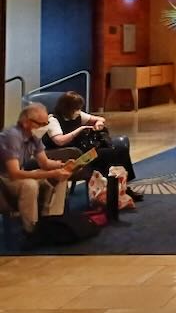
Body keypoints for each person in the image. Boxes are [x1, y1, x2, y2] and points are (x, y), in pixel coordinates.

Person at [41, 91, 143, 202]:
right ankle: (115, 189)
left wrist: (98, 123)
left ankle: (124, 185)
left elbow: (99, 119)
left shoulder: (77, 115)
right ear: (67, 108)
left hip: (85, 151)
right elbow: (59, 141)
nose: (78, 112)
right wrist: (79, 130)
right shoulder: (53, 120)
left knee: (120, 149)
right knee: (109, 154)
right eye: (76, 109)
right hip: (72, 158)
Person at [0, 103, 73, 235]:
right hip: (5, 178)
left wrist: (61, 165)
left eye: (46, 124)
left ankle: (52, 219)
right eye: (41, 124)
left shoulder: (34, 137)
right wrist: (52, 172)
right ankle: (30, 229)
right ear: (26, 122)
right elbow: (14, 173)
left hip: (18, 174)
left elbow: (44, 163)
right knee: (30, 185)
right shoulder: (12, 137)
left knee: (61, 176)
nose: (44, 128)